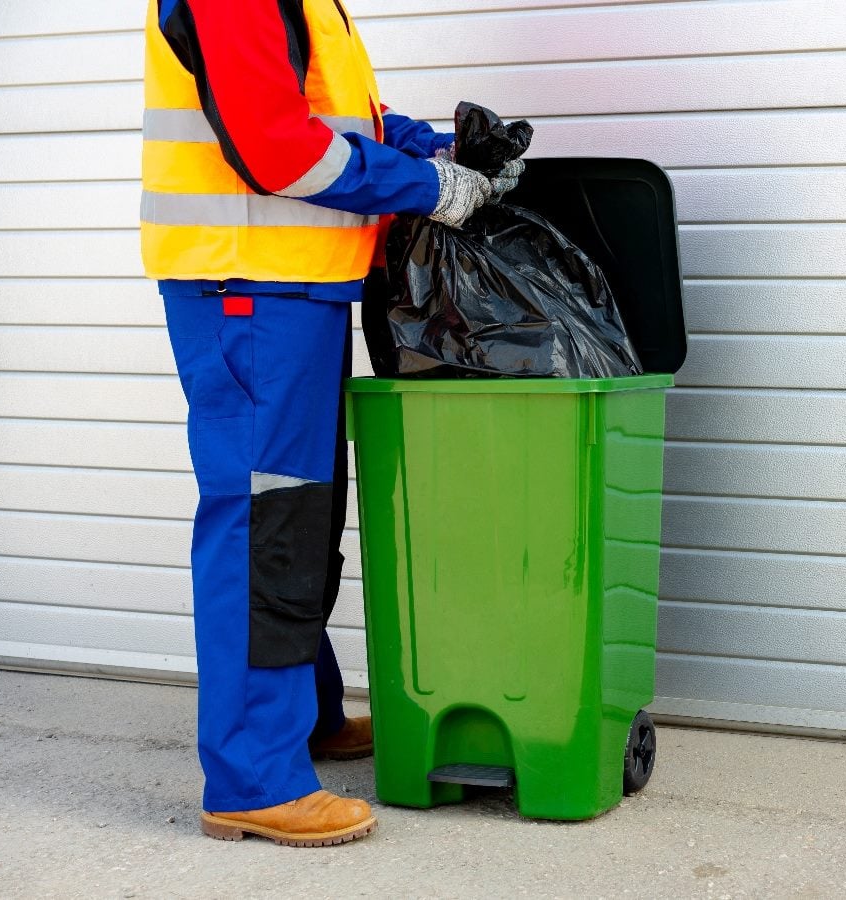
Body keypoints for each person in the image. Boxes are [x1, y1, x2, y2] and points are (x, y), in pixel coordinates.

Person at [141, 0, 524, 847]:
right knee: (263, 521)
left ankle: (303, 717)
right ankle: (253, 778)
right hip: (245, 289)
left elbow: (337, 115)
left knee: (300, 514)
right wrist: (428, 188)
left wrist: (431, 148)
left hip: (292, 289)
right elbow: (278, 145)